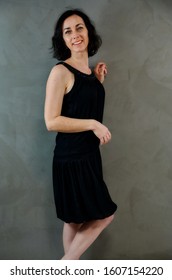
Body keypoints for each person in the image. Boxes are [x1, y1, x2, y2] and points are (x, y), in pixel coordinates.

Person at [44, 9, 117, 260]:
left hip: (88, 155)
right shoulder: (60, 72)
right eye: (68, 31)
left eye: (79, 28)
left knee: (74, 221)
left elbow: (79, 104)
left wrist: (97, 82)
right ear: (62, 40)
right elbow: (51, 121)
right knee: (105, 214)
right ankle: (65, 268)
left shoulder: (89, 73)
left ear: (88, 31)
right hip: (71, 159)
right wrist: (93, 124)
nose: (75, 34)